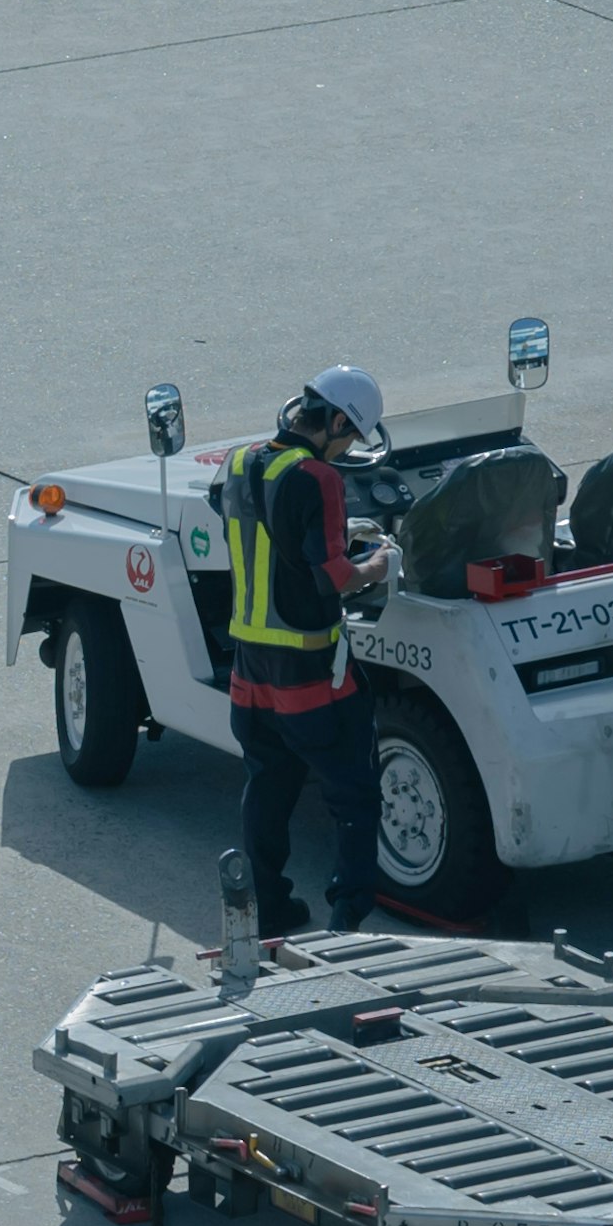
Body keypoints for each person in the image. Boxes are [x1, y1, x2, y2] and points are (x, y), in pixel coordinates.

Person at [225, 365, 399, 936]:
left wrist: (328, 543)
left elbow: (269, 538)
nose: (348, 448)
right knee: (353, 791)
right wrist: (377, 563)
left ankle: (269, 908)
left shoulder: (241, 462)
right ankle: (348, 915)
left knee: (268, 786)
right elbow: (331, 578)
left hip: (249, 667)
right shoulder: (319, 478)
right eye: (350, 437)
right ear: (340, 422)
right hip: (308, 668)